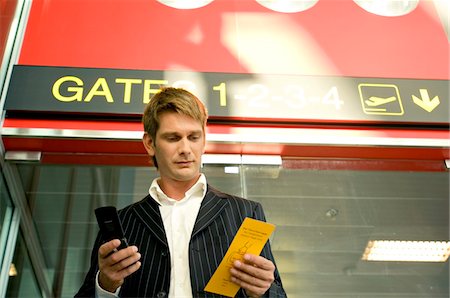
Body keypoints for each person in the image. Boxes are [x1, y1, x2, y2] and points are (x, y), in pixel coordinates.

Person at [75, 87, 286, 297]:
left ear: (204, 140)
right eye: (173, 138)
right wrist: (105, 285)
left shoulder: (246, 212)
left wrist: (262, 293)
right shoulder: (123, 221)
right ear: (150, 143)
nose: (186, 148)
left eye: (193, 137)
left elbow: (277, 293)